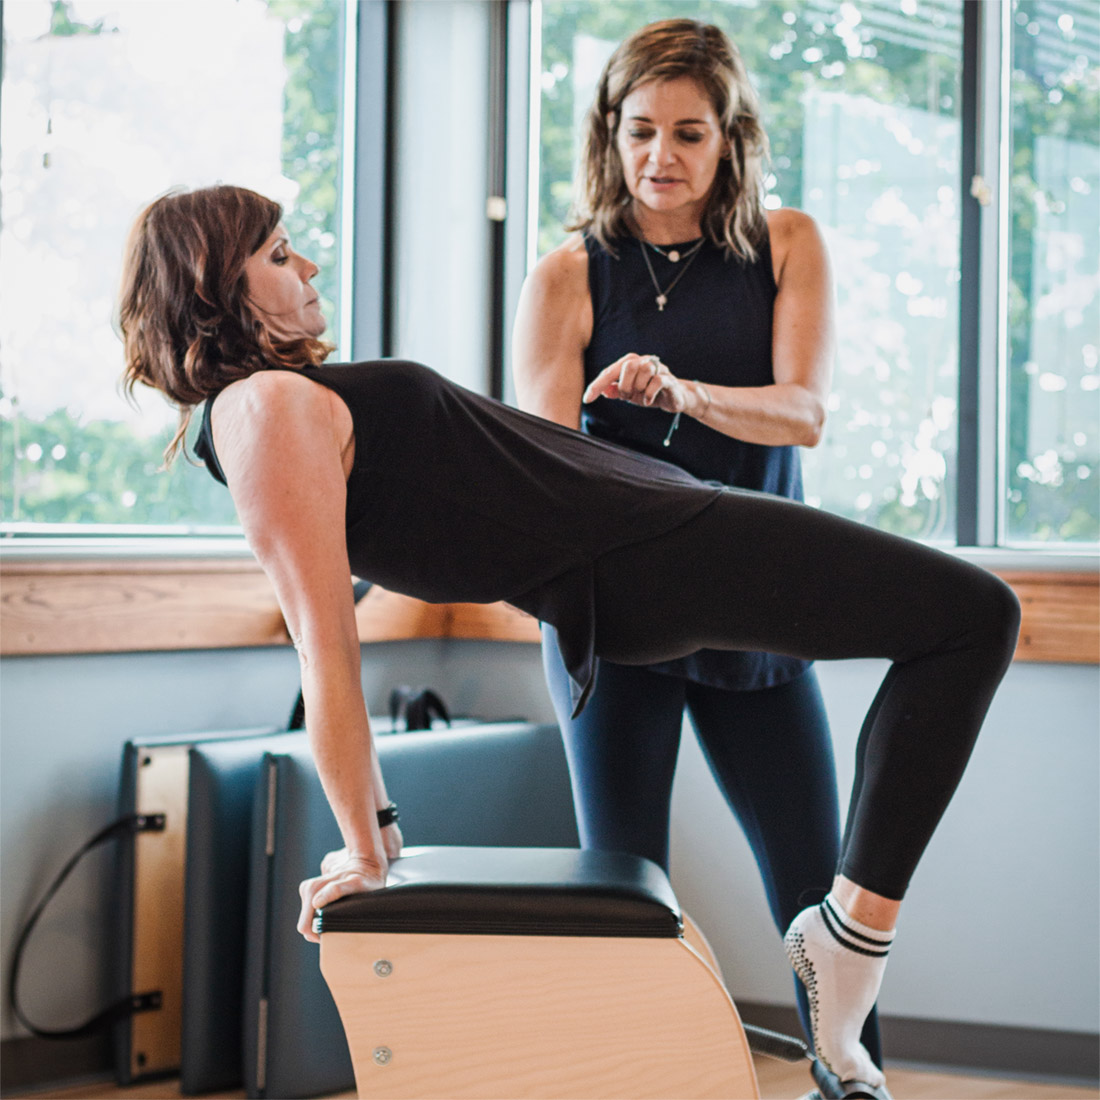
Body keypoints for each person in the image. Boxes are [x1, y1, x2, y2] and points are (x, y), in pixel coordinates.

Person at [118, 183, 1019, 1096]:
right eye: (276, 254)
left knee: (965, 619)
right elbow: (324, 643)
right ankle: (849, 937)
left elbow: (425, 521)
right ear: (209, 287)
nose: (307, 263)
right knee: (974, 616)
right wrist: (365, 843)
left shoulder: (288, 402)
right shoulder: (263, 409)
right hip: (646, 546)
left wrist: (375, 835)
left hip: (649, 521)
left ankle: (840, 953)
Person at [511, 15, 879, 1069]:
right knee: (622, 888)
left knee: (822, 896)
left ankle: (857, 1081)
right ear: (607, 135)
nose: (658, 158)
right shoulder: (566, 275)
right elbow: (542, 464)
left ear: (729, 140)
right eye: (638, 132)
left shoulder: (786, 243)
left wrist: (682, 394)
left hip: (758, 604)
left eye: (687, 133)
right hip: (611, 616)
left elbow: (801, 411)